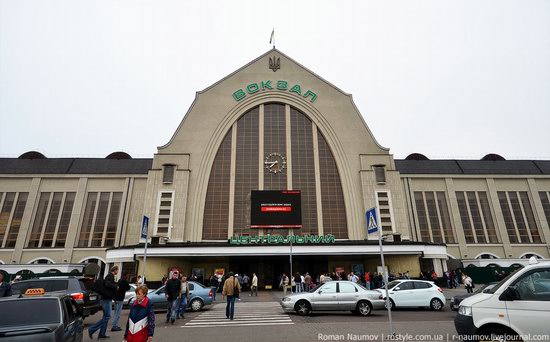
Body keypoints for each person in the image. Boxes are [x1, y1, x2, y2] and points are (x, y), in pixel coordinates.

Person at [88, 265, 118, 340]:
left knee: (105, 317)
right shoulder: (110, 276)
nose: (117, 272)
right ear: (115, 270)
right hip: (106, 299)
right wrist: (116, 286)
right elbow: (107, 284)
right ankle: (92, 329)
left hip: (106, 298)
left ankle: (102, 334)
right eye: (117, 270)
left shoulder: (110, 276)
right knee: (108, 316)